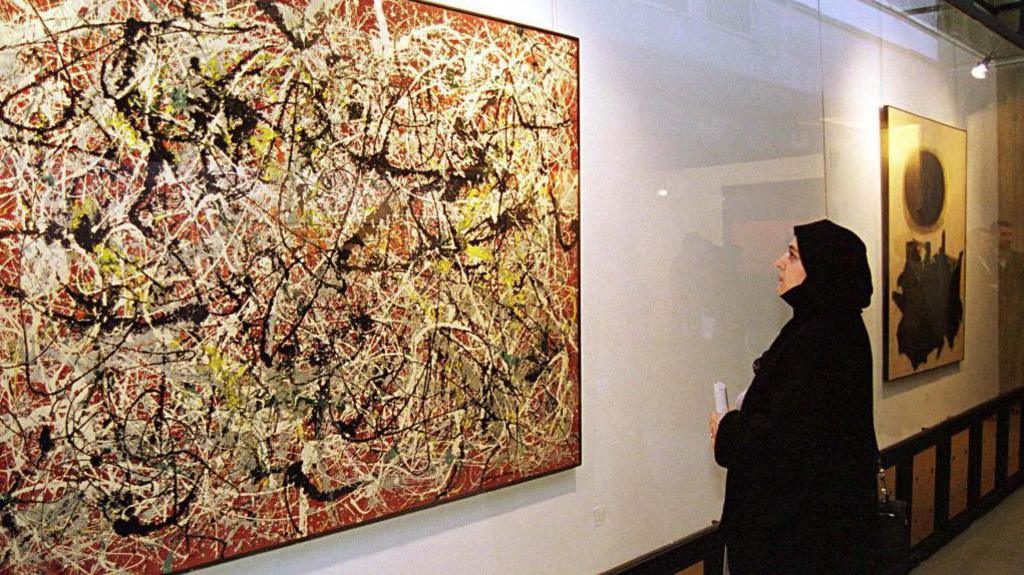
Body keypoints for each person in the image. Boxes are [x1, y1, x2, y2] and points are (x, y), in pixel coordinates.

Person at [709, 219, 880, 574]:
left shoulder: (823, 338)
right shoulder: (828, 325)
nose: (778, 262)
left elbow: (788, 440)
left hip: (800, 538)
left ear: (822, 269)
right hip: (811, 529)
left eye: (792, 255)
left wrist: (728, 429)